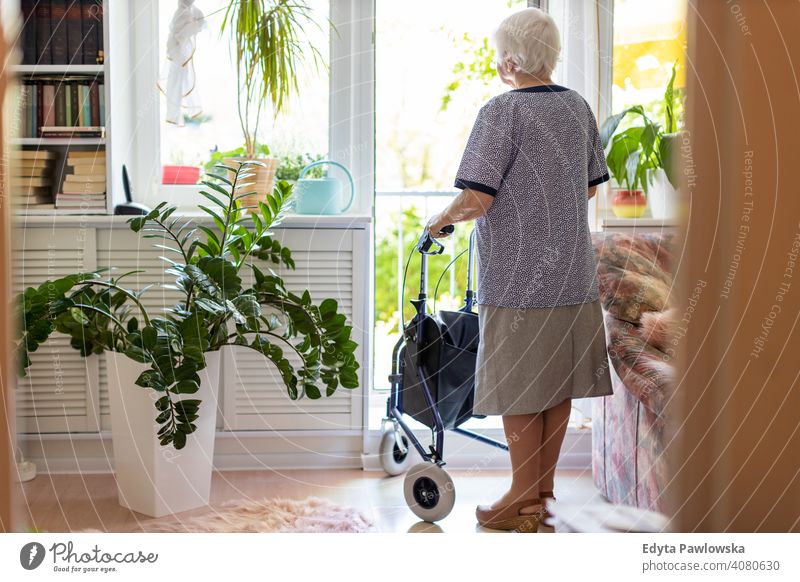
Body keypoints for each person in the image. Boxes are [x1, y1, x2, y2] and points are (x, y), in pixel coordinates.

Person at [426, 7, 613, 532]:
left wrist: (440, 220)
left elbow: (477, 197)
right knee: (556, 386)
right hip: (573, 274)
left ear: (511, 58)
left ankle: (519, 496)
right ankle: (541, 496)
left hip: (517, 277)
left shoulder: (502, 112)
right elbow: (591, 183)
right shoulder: (576, 107)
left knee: (517, 386)